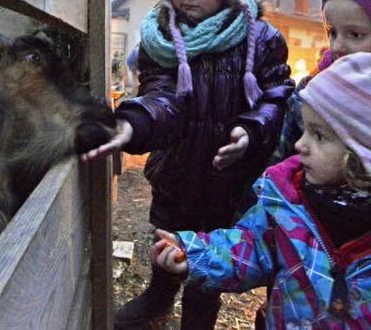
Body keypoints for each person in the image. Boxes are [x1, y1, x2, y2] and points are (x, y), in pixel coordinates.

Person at [82, 0, 294, 329]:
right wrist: (133, 123)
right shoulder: (160, 40)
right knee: (166, 241)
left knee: (209, 259)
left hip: (228, 177)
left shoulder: (262, 39)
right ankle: (159, 297)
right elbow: (162, 98)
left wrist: (252, 130)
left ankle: (199, 317)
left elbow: (277, 94)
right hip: (176, 170)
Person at [152, 52, 371, 328]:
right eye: (305, 130)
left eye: (319, 135)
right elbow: (251, 245)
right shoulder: (287, 202)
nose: (300, 145)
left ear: (362, 152)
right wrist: (195, 253)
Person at [269, 0, 371, 164]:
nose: (337, 46)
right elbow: (281, 156)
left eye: (355, 34)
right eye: (332, 32)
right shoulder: (312, 88)